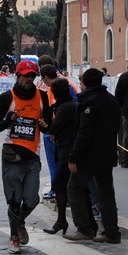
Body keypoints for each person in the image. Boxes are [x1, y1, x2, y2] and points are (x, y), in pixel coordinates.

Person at [0, 60, 51, 254]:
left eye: (33, 76)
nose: (29, 79)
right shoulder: (7, 97)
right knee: (14, 199)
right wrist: (7, 121)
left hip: (32, 156)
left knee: (31, 200)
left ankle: (20, 222)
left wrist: (45, 124)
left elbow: (49, 123)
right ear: (18, 76)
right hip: (12, 154)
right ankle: (14, 237)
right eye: (26, 76)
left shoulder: (42, 97)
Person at [63, 68, 122, 244]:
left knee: (74, 188)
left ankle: (84, 228)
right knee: (106, 193)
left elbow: (84, 131)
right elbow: (117, 126)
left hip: (89, 156)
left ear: (87, 83)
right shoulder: (110, 100)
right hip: (107, 154)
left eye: (81, 83)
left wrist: (73, 156)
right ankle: (112, 232)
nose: (79, 86)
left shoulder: (89, 101)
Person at [43, 78, 77, 236]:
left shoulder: (65, 108)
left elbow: (53, 127)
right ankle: (62, 220)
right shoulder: (68, 105)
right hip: (66, 150)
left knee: (60, 185)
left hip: (67, 151)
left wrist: (48, 127)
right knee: (63, 186)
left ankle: (63, 221)